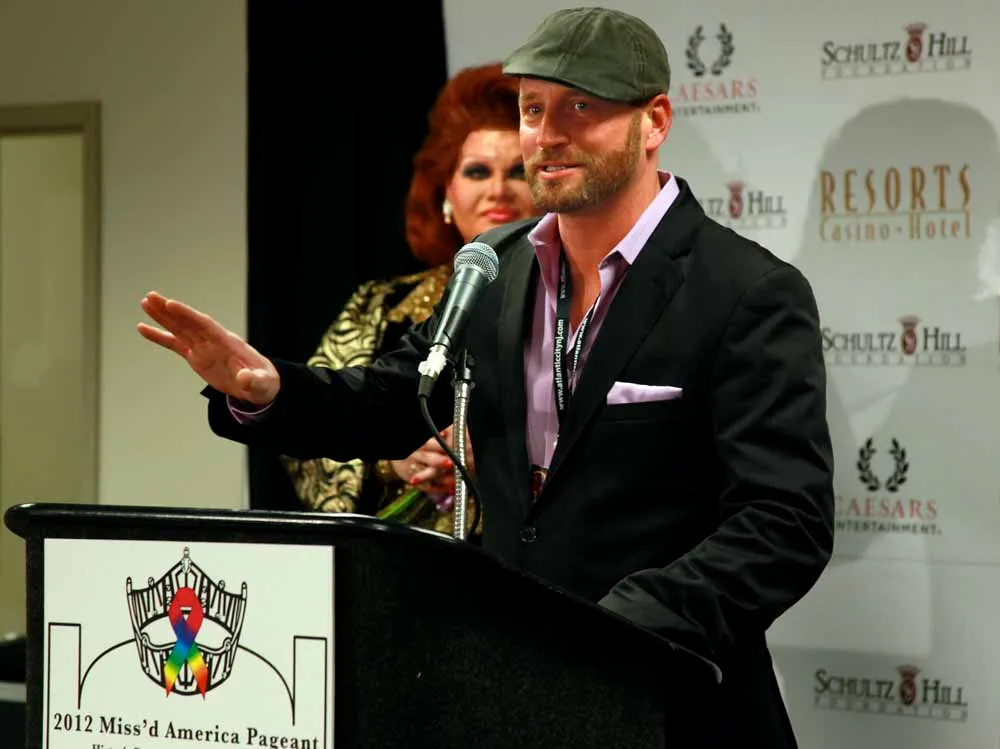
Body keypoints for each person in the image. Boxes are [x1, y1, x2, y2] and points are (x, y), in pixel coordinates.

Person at [137, 7, 834, 745]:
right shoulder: (497, 264)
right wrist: (268, 389)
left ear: (654, 121)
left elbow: (783, 523)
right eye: (534, 109)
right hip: (510, 700)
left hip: (674, 709)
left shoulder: (746, 291)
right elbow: (398, 394)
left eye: (582, 107)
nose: (549, 134)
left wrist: (623, 627)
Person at [280, 62, 537, 536]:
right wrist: (392, 461)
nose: (498, 190)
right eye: (477, 171)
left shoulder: (578, 301)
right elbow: (306, 441)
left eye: (519, 172)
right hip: (398, 563)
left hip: (529, 562)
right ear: (446, 193)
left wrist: (498, 457)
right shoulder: (379, 306)